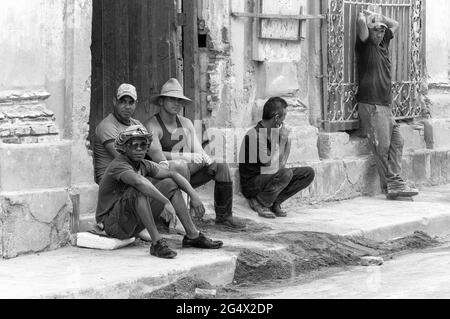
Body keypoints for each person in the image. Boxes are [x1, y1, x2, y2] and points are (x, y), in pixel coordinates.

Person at [96, 125, 223, 259]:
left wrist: (194, 196)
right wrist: (165, 202)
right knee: (138, 190)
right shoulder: (119, 164)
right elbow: (139, 182)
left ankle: (193, 235)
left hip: (130, 223)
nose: (139, 149)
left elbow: (172, 174)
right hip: (111, 225)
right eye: (134, 145)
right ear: (125, 147)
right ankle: (157, 244)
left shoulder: (143, 164)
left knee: (170, 183)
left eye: (143, 145)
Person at [145, 78, 245, 230]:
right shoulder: (153, 125)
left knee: (220, 164)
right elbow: (158, 158)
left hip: (184, 173)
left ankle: (224, 217)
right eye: (172, 99)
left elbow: (199, 154)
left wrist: (207, 159)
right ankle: (180, 218)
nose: (176, 103)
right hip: (160, 178)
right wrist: (185, 156)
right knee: (179, 165)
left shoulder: (185, 123)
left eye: (179, 100)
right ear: (161, 102)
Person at [355, 9, 419, 200]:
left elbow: (396, 25)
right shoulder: (365, 44)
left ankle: (394, 182)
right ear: (370, 30)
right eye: (376, 30)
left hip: (385, 105)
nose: (380, 33)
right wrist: (362, 17)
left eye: (381, 30)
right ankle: (392, 184)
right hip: (372, 104)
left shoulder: (384, 42)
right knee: (382, 147)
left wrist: (381, 18)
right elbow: (361, 27)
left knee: (397, 142)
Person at [239, 97, 315, 219]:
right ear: (276, 118)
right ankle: (259, 202)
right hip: (252, 183)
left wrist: (287, 142)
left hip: (268, 176)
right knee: (285, 173)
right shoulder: (255, 135)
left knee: (307, 173)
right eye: (283, 117)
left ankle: (274, 202)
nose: (284, 121)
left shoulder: (273, 133)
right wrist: (283, 141)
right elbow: (270, 165)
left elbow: (281, 165)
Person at [93, 83, 168, 184]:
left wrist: (163, 163)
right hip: (112, 182)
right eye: (123, 102)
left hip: (133, 174)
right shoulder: (107, 126)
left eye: (131, 102)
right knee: (168, 181)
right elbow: (124, 158)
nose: (127, 107)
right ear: (115, 102)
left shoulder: (136, 124)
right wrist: (155, 169)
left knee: (175, 171)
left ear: (136, 104)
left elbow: (152, 149)